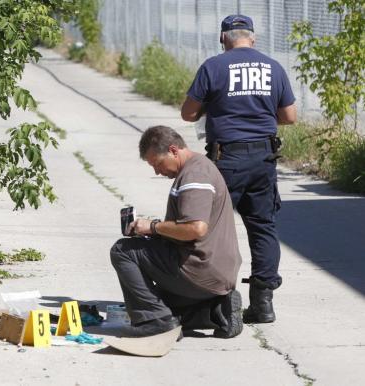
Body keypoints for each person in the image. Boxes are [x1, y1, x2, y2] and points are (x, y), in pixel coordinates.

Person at [181, 14, 297, 324]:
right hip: (263, 159)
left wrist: (215, 104)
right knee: (263, 228)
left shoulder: (213, 67)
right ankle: (263, 302)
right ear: (253, 38)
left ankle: (212, 301)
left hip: (226, 159)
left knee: (211, 229)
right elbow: (289, 116)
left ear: (223, 39)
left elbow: (188, 114)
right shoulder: (273, 67)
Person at [110, 126, 243, 338]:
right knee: (166, 303)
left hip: (199, 268)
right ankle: (217, 310)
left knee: (122, 250)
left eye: (158, 163)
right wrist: (155, 232)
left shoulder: (194, 176)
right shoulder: (201, 166)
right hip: (217, 271)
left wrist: (152, 227)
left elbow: (196, 229)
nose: (157, 171)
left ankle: (156, 321)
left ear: (173, 150)